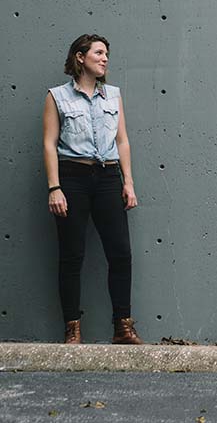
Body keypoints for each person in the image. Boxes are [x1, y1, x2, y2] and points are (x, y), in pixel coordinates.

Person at [42, 34, 143, 345]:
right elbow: (48, 143)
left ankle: (122, 327)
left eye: (106, 54)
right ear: (80, 57)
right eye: (98, 53)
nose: (105, 58)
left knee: (121, 253)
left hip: (108, 176)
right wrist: (54, 187)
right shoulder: (57, 97)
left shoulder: (113, 95)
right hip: (72, 177)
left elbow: (122, 140)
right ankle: (72, 328)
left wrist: (128, 181)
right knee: (72, 255)